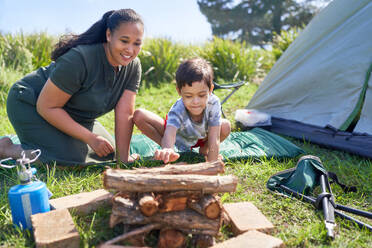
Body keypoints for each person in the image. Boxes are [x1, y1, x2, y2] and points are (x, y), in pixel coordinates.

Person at [0, 9, 144, 165]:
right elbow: (46, 107)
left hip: (75, 114)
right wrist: (90, 138)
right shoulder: (80, 58)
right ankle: (7, 149)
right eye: (124, 41)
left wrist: (123, 159)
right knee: (68, 159)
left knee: (108, 154)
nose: (130, 50)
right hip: (30, 103)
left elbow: (125, 113)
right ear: (109, 35)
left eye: (137, 43)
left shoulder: (133, 66)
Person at [133, 58, 231, 163]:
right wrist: (167, 149)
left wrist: (212, 164)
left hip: (201, 138)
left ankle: (204, 150)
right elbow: (169, 133)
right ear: (179, 91)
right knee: (139, 115)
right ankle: (170, 152)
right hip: (176, 138)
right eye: (189, 96)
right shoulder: (178, 108)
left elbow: (214, 137)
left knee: (225, 126)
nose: (196, 101)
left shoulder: (214, 103)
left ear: (210, 90)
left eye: (201, 95)